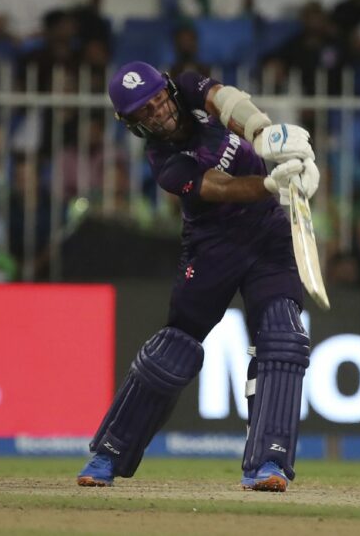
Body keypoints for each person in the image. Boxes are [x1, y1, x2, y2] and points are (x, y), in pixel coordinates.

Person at [77, 61, 319, 492]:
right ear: (133, 124)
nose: (158, 114)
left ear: (168, 90)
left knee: (282, 338)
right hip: (213, 248)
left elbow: (227, 102)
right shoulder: (165, 162)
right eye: (144, 113)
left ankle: (268, 465)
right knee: (173, 352)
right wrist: (273, 186)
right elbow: (221, 188)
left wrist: (265, 135)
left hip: (268, 238)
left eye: (157, 102)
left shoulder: (189, 88)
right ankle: (108, 455)